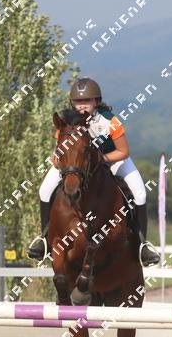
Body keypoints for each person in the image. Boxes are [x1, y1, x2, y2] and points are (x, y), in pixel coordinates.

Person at [27, 77, 160, 266]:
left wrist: (100, 160)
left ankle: (142, 245)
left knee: (140, 193)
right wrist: (58, 160)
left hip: (112, 159)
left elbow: (123, 151)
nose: (82, 105)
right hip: (75, 165)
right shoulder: (66, 122)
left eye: (86, 101)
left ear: (96, 101)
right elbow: (57, 153)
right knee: (44, 190)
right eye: (78, 101)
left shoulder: (109, 121)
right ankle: (44, 240)